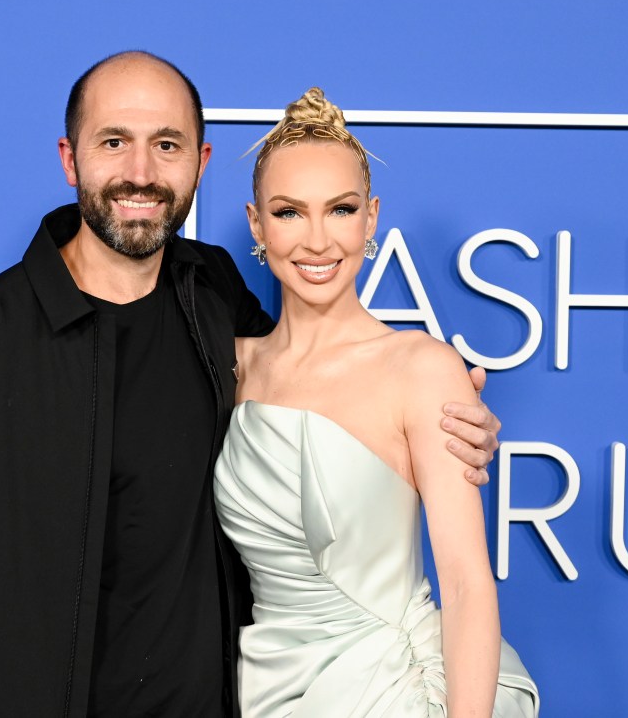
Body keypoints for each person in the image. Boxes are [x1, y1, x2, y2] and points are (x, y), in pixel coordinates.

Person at [0, 52, 504, 717]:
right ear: (70, 158)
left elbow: (325, 384)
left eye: (167, 145)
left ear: (201, 161)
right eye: (114, 142)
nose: (141, 172)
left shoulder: (215, 297)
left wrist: (454, 417)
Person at [214, 88, 540, 717]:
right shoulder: (230, 367)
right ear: (256, 224)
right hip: (265, 693)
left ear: (371, 218)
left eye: (340, 209)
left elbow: (469, 584)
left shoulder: (421, 369)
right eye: (288, 212)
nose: (317, 240)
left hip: (397, 694)